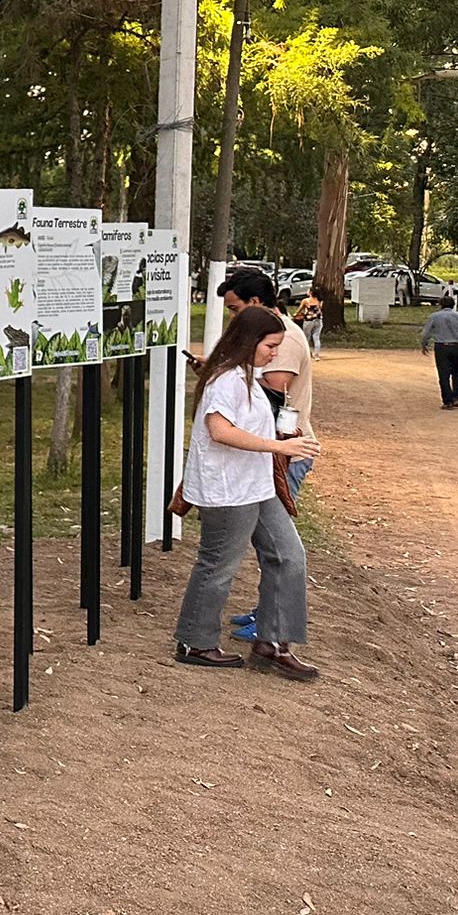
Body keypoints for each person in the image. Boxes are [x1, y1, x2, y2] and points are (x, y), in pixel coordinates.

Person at [173, 305, 321, 680]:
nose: (275, 353)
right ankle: (195, 641)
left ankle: (273, 642)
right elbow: (220, 431)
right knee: (218, 564)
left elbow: (245, 427)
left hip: (257, 485)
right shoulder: (225, 380)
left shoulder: (247, 377)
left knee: (289, 556)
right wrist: (279, 448)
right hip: (227, 490)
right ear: (250, 341)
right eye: (270, 345)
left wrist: (281, 438)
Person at [216, 268, 316, 499]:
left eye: (235, 309)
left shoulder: (284, 336)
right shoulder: (262, 333)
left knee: (273, 534)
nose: (232, 317)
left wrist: (226, 377)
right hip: (265, 449)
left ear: (254, 302)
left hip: (284, 453)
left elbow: (276, 388)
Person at [418, 292, 458, 409]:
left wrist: (424, 344)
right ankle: (456, 397)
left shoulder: (434, 316)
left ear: (440, 305)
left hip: (441, 346)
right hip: (457, 347)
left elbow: (425, 333)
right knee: (457, 372)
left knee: (443, 374)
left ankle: (447, 400)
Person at [296, 289, 323, 358]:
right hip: (318, 320)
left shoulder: (306, 300)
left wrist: (295, 315)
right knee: (316, 337)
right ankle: (316, 354)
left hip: (309, 320)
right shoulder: (319, 300)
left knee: (306, 337)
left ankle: (308, 353)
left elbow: (300, 309)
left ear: (310, 292)